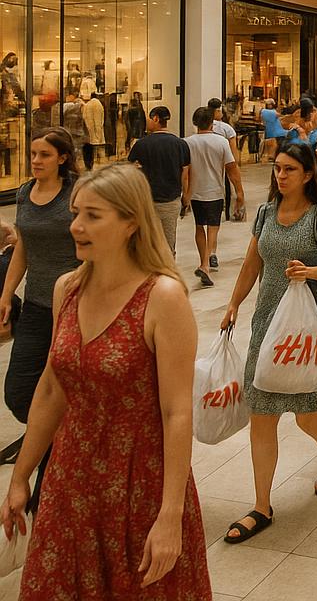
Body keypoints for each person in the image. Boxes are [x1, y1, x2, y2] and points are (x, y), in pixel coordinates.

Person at [0, 164, 212, 599]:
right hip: (71, 475)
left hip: (140, 479)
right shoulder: (67, 289)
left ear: (131, 222)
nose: (75, 225)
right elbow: (51, 390)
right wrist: (21, 477)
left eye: (93, 215)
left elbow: (176, 412)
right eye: (76, 213)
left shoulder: (163, 297)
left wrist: (170, 514)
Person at [220, 143, 317, 542]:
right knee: (261, 412)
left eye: (289, 170)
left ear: (308, 175)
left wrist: (310, 271)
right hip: (267, 324)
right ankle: (262, 506)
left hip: (308, 328)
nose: (280, 176)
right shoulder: (265, 213)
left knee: (305, 413)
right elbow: (252, 263)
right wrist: (233, 304)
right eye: (277, 169)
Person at [0, 128, 79, 510]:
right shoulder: (23, 193)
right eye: (33, 154)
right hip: (35, 306)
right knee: (18, 392)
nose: (35, 160)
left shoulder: (77, 193)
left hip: (76, 306)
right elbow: (22, 247)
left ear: (62, 158)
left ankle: (49, 481)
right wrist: (5, 294)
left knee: (59, 385)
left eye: (44, 154)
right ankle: (57, 435)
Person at [183, 106, 244, 286]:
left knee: (199, 226)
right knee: (213, 228)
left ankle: (203, 262)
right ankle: (206, 263)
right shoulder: (221, 142)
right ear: (212, 123)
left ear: (195, 123)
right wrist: (239, 192)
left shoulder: (187, 142)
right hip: (215, 191)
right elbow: (232, 169)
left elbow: (184, 172)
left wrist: (185, 194)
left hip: (196, 192)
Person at [128, 106, 191, 255]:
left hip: (147, 201)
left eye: (149, 119)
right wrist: (185, 198)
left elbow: (129, 170)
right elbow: (185, 174)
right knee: (168, 246)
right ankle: (168, 275)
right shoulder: (180, 144)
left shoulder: (141, 144)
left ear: (155, 118)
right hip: (171, 201)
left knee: (146, 244)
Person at [208, 97, 241, 220]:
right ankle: (227, 212)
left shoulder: (204, 124)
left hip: (209, 161)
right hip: (224, 162)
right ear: (217, 111)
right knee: (226, 186)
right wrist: (235, 163)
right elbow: (233, 151)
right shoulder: (226, 128)